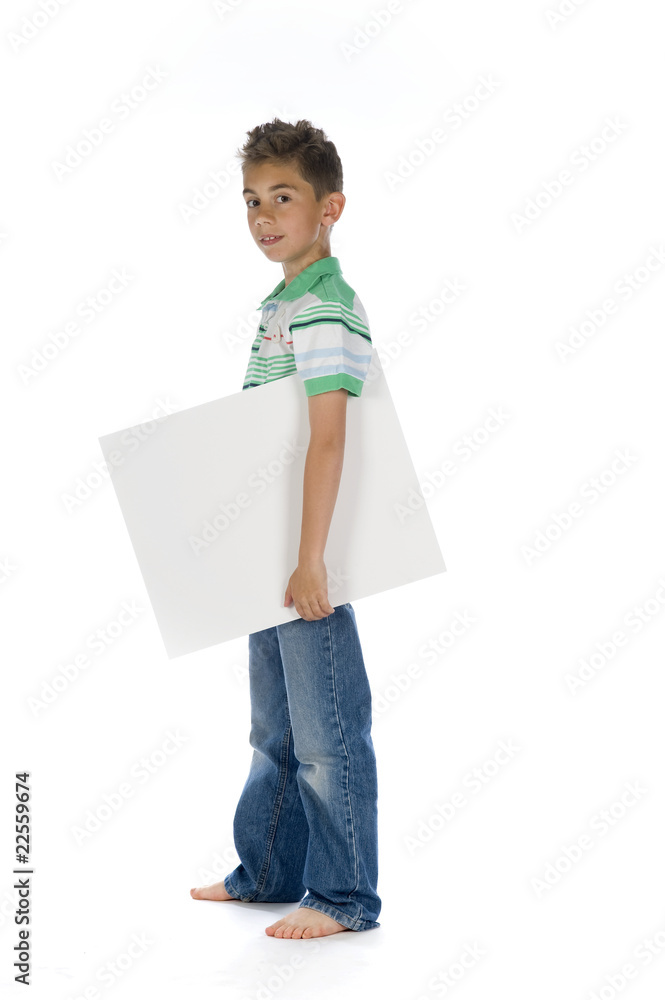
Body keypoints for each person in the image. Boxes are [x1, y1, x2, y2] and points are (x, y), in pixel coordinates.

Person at [190, 118, 380, 939]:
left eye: (283, 197)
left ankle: (343, 897)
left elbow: (327, 438)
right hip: (269, 553)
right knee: (274, 729)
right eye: (250, 200)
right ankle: (268, 869)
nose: (263, 216)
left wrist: (311, 561)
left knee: (327, 738)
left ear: (329, 207)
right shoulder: (284, 303)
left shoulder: (325, 305)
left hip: (307, 561)